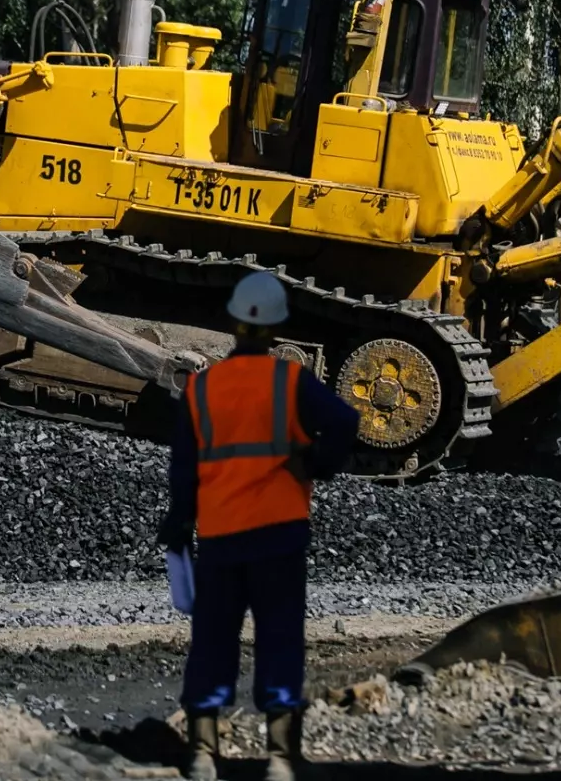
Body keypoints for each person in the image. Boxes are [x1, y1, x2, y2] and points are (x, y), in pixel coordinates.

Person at [157, 272, 360, 781]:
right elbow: (345, 422)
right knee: (280, 639)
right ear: (276, 328)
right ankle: (280, 758)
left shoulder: (203, 389)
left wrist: (180, 522)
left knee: (213, 640)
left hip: (222, 535)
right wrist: (314, 464)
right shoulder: (293, 382)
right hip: (280, 533)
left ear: (232, 322)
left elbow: (184, 467)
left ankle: (203, 753)